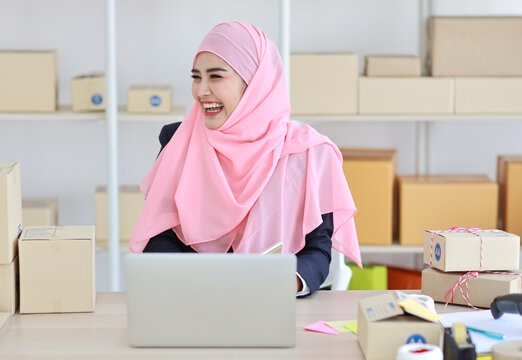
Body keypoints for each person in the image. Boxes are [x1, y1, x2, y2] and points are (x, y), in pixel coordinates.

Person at [130, 21, 361, 297]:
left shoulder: (310, 152)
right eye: (196, 77)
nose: (201, 90)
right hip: (192, 300)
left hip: (271, 303)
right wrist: (197, 282)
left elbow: (317, 249)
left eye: (215, 77)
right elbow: (160, 235)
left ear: (254, 84)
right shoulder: (178, 139)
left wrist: (290, 281)